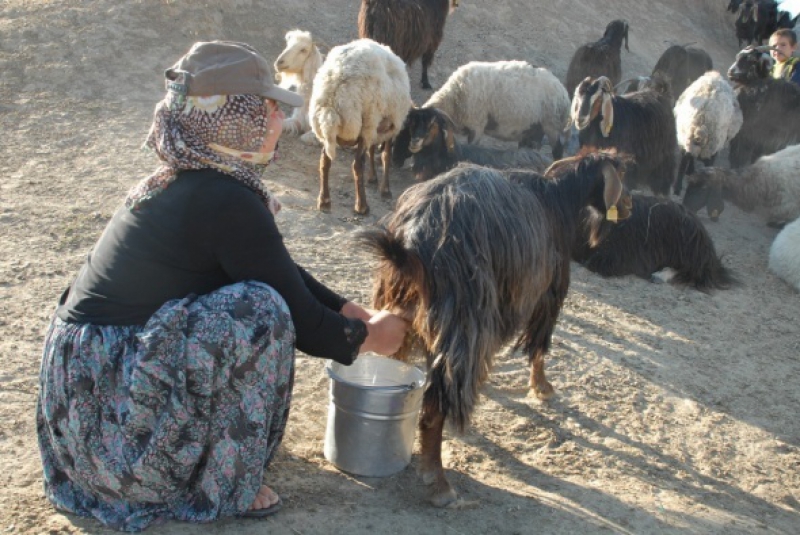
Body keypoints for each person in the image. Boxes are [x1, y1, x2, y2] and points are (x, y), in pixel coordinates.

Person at [35, 41, 408, 532]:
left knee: (258, 298)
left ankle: (207, 461)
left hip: (82, 412)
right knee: (259, 313)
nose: (279, 118)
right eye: (269, 107)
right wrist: (368, 338)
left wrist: (349, 309)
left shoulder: (193, 179)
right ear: (234, 118)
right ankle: (223, 483)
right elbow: (301, 321)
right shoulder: (223, 198)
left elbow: (274, 265)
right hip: (112, 432)